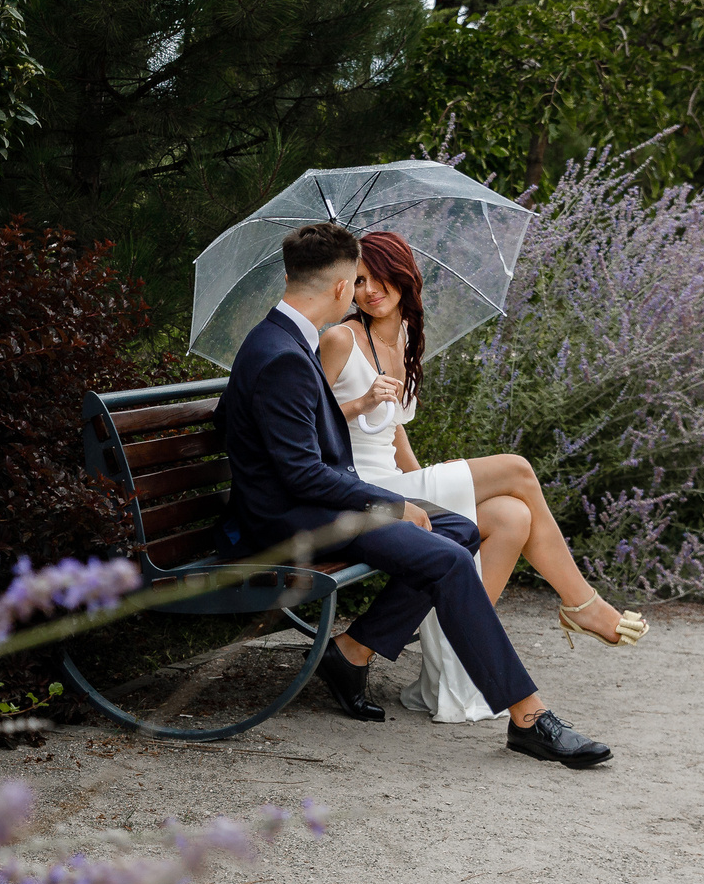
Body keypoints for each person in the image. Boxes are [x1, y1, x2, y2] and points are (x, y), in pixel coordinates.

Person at [214, 219, 613, 767]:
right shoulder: (284, 354)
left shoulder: (279, 341)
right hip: (293, 522)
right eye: (355, 280)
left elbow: (236, 425)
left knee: (459, 527)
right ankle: (529, 717)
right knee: (448, 560)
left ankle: (351, 653)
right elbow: (303, 474)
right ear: (338, 287)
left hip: (315, 506)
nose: (359, 293)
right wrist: (393, 504)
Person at [319, 229, 648, 722]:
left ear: (405, 276)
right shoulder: (340, 338)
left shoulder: (404, 337)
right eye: (361, 279)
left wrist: (423, 480)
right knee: (517, 470)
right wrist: (362, 402)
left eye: (382, 276)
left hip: (399, 483)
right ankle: (582, 605)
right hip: (361, 490)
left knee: (513, 516)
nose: (371, 290)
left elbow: (394, 432)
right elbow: (308, 425)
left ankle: (459, 657)